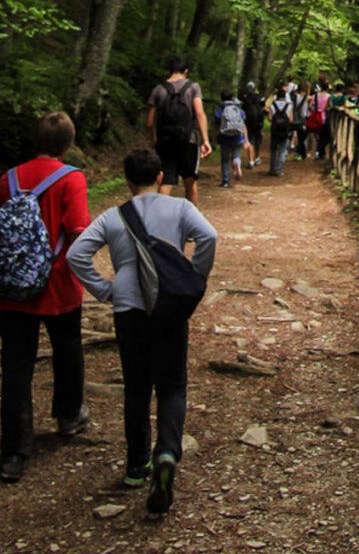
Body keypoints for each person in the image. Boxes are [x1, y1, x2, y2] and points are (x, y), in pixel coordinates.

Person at [66, 148, 217, 513]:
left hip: (128, 308)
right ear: (161, 178)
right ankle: (166, 452)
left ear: (128, 182)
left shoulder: (114, 216)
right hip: (169, 306)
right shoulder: (180, 208)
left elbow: (76, 255)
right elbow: (209, 237)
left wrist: (104, 289)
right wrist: (194, 276)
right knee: (173, 385)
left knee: (136, 386)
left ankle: (136, 466)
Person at [0, 111, 91, 483]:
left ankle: (14, 451)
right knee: (67, 348)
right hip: (58, 283)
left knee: (16, 364)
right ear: (67, 145)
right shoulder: (71, 179)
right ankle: (68, 415)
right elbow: (77, 232)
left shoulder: (7, 179)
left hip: (12, 286)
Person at [146, 55, 212, 206]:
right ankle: (192, 223)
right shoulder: (193, 87)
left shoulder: (158, 89)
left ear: (170, 70)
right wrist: (206, 141)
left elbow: (149, 123)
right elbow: (200, 114)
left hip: (165, 142)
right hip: (188, 140)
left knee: (165, 181)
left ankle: (160, 222)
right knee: (190, 182)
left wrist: (153, 142)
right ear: (186, 71)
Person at [213, 89, 251, 188]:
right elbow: (243, 126)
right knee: (236, 155)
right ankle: (236, 162)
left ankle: (226, 181)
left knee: (225, 159)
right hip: (237, 137)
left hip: (224, 137)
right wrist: (246, 139)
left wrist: (213, 138)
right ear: (232, 98)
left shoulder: (220, 111)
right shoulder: (239, 110)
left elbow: (215, 126)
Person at [266, 87, 294, 177]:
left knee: (273, 150)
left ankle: (272, 169)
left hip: (275, 130)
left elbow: (270, 119)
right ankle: (279, 170)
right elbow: (291, 119)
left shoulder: (272, 105)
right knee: (282, 150)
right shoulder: (288, 106)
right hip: (284, 131)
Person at [241, 82, 265, 169]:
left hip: (248, 122)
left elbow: (243, 110)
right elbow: (263, 107)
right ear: (255, 88)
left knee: (249, 139)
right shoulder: (260, 97)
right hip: (259, 121)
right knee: (258, 139)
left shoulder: (245, 98)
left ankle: (250, 160)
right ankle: (257, 158)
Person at [290, 80, 311, 160]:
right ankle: (302, 154)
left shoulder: (295, 97)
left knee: (300, 137)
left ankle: (300, 153)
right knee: (302, 138)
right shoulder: (307, 98)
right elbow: (306, 110)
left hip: (295, 119)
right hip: (303, 119)